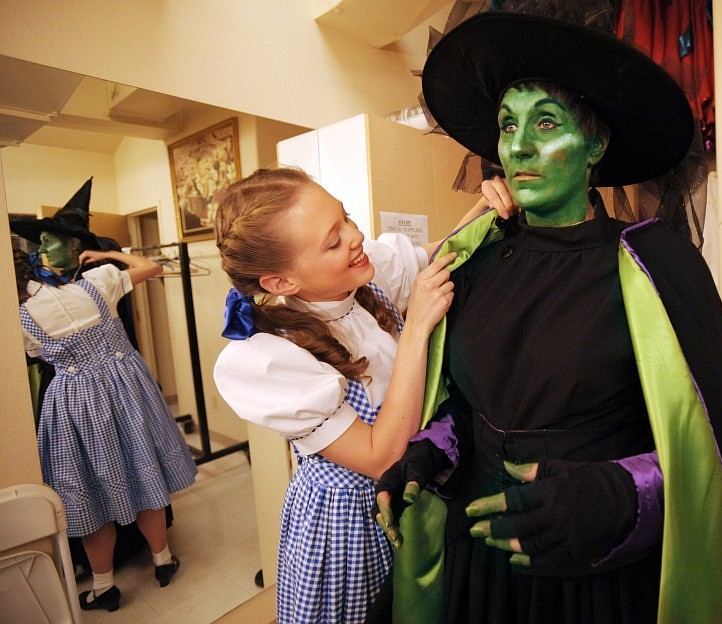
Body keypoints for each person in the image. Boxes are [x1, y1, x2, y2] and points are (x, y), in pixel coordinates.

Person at [373, 11, 722, 624]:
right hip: (482, 564)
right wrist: (429, 454)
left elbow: (705, 456)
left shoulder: (655, 265)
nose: (518, 146)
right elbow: (464, 406)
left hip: (595, 574)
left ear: (595, 146)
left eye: (545, 122)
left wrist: (617, 499)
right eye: (507, 125)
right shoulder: (476, 262)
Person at [212, 167, 511, 623]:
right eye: (333, 241)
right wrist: (416, 332)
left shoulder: (366, 276)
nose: (356, 236)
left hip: (411, 490)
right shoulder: (271, 358)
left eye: (346, 218)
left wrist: (487, 206)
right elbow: (379, 456)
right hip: (351, 520)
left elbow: (442, 252)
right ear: (280, 282)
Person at [12, 209, 198, 613]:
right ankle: (162, 561)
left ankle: (104, 586)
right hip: (126, 389)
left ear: (74, 247)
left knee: (91, 493)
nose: (40, 247)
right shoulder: (100, 282)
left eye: (49, 240)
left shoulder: (23, 315)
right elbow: (150, 265)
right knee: (144, 477)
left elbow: (33, 355)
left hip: (74, 401)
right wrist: (110, 257)